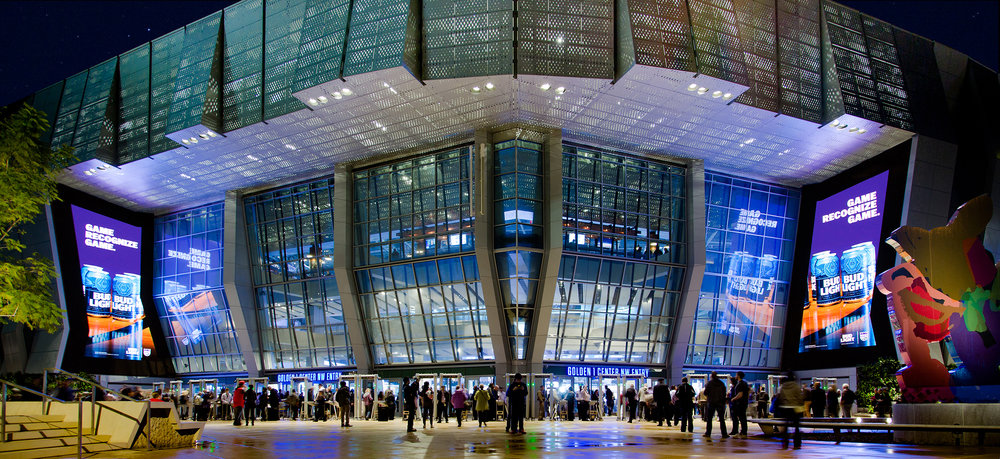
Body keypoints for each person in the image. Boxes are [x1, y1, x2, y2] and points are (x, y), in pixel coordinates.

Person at [776, 376, 804, 450]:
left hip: (785, 408)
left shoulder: (783, 387)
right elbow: (800, 398)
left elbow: (780, 398)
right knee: (796, 427)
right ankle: (797, 444)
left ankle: (785, 443)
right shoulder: (796, 386)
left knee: (785, 427)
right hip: (795, 408)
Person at [703, 371, 728, 439]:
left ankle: (708, 433)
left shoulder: (709, 383)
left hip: (711, 402)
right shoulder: (721, 383)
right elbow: (724, 393)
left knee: (709, 419)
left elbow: (705, 393)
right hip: (720, 403)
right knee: (722, 419)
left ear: (711, 376)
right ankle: (724, 433)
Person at [728, 371, 750, 438]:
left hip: (740, 403)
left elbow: (740, 394)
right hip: (743, 403)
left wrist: (733, 399)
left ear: (739, 376)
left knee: (741, 417)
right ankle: (743, 431)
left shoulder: (740, 384)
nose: (735, 376)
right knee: (742, 418)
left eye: (736, 375)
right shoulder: (744, 383)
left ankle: (743, 432)